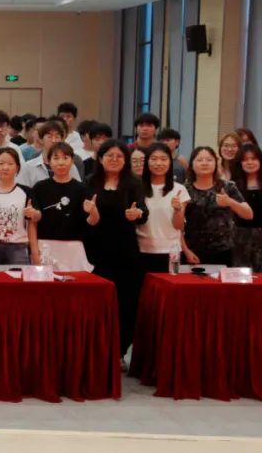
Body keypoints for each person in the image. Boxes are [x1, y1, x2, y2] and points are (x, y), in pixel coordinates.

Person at [83, 140, 148, 367]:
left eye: (119, 156)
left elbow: (143, 211)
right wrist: (89, 212)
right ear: (100, 159)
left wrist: (137, 214)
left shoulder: (134, 184)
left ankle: (119, 351)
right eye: (109, 155)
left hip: (125, 251)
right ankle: (96, 350)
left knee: (126, 302)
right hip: (95, 251)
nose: (114, 159)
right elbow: (82, 217)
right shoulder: (89, 182)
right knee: (96, 302)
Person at [183, 146, 253, 266]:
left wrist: (230, 202)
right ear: (192, 166)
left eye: (209, 160)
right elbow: (177, 226)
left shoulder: (228, 187)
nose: (204, 163)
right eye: (199, 160)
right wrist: (185, 251)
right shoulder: (184, 189)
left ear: (216, 164)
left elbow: (248, 214)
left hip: (224, 250)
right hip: (192, 250)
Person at [28, 142, 92, 271]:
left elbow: (91, 221)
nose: (61, 163)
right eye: (56, 158)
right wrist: (35, 252)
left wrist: (93, 211)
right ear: (49, 162)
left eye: (65, 158)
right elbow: (32, 223)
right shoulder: (39, 188)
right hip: (45, 246)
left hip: (74, 248)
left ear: (72, 161)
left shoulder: (82, 189)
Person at [136, 142, 189, 274]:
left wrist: (177, 210)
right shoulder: (137, 188)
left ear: (170, 162)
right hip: (142, 249)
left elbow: (178, 226)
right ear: (147, 162)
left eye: (163, 159)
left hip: (171, 251)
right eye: (154, 159)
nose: (159, 163)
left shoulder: (179, 189)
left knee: (171, 285)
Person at [234, 144, 262, 272]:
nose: (250, 162)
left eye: (254, 159)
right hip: (240, 236)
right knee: (240, 274)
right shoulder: (233, 185)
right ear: (240, 163)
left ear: (260, 161)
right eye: (245, 159)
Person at [18, 120, 83, 188]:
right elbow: (22, 190)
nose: (53, 140)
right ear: (41, 140)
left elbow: (78, 189)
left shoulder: (69, 166)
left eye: (57, 137)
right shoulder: (29, 167)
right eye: (49, 137)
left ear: (61, 140)